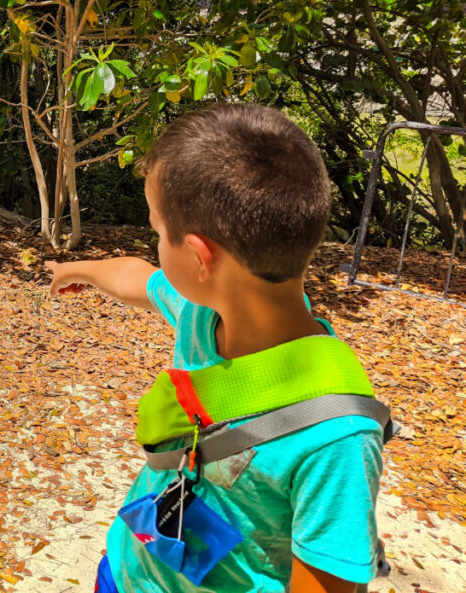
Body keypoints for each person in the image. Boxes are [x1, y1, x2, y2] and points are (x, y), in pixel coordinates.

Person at [45, 104, 385, 593]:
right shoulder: (202, 310)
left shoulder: (337, 436)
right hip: (128, 569)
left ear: (201, 257)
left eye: (158, 233)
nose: (155, 247)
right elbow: (136, 279)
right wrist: (76, 270)